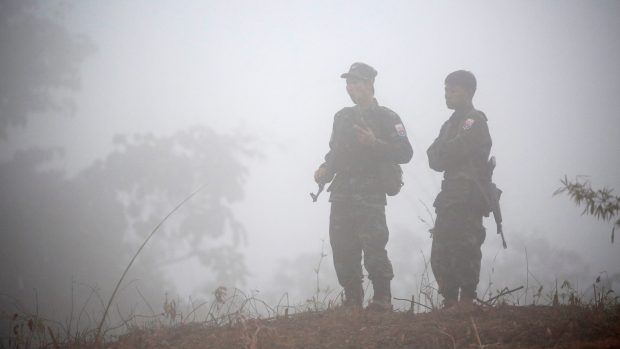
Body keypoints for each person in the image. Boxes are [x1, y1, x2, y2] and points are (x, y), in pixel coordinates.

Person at [314, 62, 413, 310]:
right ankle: (353, 301)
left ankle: (382, 300)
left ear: (370, 84)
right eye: (348, 82)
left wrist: (374, 143)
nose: (351, 87)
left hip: (370, 193)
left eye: (356, 82)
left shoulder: (388, 117)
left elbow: (405, 152)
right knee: (342, 248)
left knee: (374, 245)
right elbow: (334, 152)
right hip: (342, 192)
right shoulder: (342, 116)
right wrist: (325, 169)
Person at [427, 70, 493, 307]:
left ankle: (466, 300)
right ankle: (449, 301)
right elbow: (433, 158)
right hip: (449, 195)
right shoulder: (449, 124)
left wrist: (445, 152)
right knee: (442, 249)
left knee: (465, 247)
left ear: (469, 91)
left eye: (453, 90)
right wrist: (445, 152)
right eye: (446, 90)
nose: (447, 94)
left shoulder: (474, 120)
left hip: (469, 195)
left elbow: (450, 152)